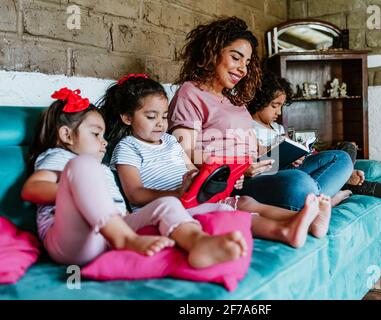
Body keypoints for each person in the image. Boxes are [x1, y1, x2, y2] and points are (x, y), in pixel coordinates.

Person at [100, 74, 332, 248]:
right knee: (230, 213)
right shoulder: (127, 147)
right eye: (151, 117)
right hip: (163, 210)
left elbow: (193, 171)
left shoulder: (170, 141)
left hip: (189, 200)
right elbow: (134, 194)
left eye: (163, 116)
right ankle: (283, 231)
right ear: (126, 117)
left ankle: (304, 219)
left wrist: (221, 179)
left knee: (245, 201)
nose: (160, 123)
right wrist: (178, 194)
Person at [168, 16, 353, 216]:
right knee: (298, 184)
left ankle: (313, 201)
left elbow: (255, 147)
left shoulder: (234, 100)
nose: (243, 69)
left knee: (339, 158)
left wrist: (283, 154)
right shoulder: (190, 93)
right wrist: (238, 168)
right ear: (212, 53)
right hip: (235, 181)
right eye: (236, 57)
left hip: (262, 169)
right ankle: (321, 200)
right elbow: (186, 150)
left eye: (246, 62)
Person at [21, 87, 177, 266]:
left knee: (167, 204)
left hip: (107, 236)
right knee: (84, 165)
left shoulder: (100, 169)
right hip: (73, 242)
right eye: (96, 134)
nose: (104, 142)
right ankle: (125, 239)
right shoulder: (62, 157)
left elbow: (116, 206)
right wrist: (79, 193)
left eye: (103, 135)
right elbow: (31, 189)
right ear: (67, 135)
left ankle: (196, 240)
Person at [248, 72, 381, 207]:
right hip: (282, 175)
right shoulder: (248, 127)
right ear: (260, 101)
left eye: (281, 106)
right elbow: (257, 169)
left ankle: (344, 178)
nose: (279, 112)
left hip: (300, 168)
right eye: (274, 106)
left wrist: (298, 155)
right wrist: (279, 156)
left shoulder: (278, 128)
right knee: (337, 165)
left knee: (345, 150)